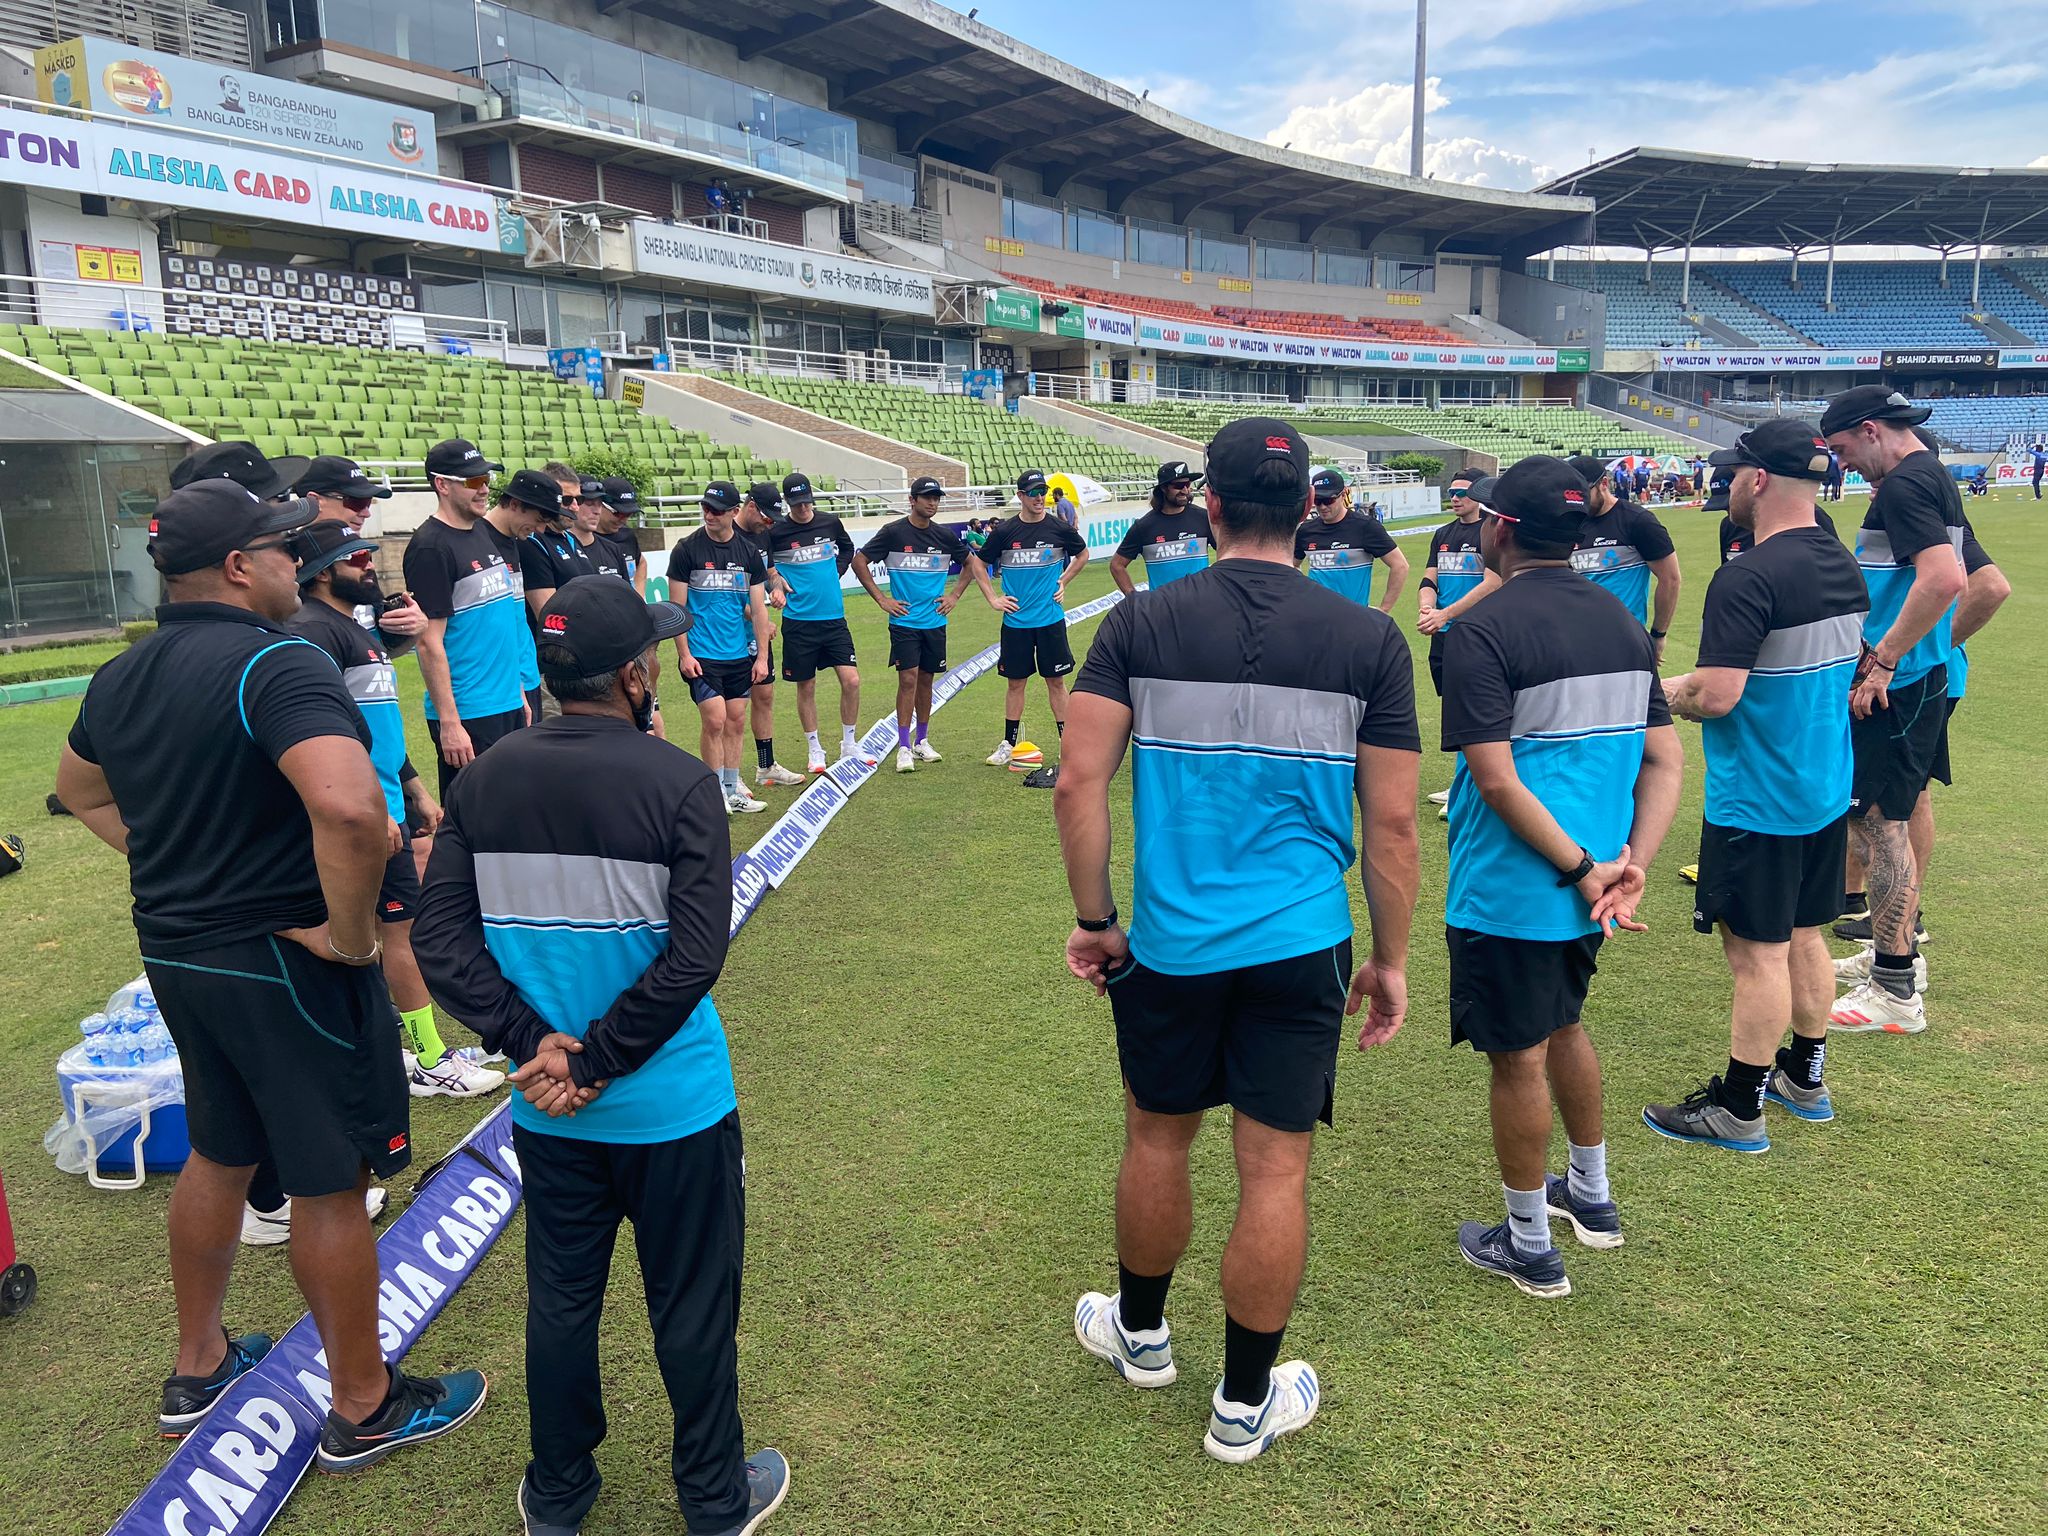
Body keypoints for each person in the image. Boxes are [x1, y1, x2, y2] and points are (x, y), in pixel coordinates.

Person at [53, 480, 486, 1464]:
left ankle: (199, 1363)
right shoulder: (278, 660)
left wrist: (172, 868)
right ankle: (364, 1405)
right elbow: (351, 816)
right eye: (286, 550)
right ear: (241, 567)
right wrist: (348, 940)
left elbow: (79, 792)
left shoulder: (125, 672)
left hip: (179, 951)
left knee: (221, 1150)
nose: (302, 565)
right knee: (328, 1181)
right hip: (283, 960)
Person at [1055, 417, 1421, 1464]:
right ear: (1309, 508)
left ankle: (1139, 1337)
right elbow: (1390, 827)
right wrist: (1388, 962)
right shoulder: (1367, 639)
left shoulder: (1138, 624)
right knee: (1273, 1175)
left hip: (1166, 945)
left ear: (1206, 507)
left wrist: (1094, 922)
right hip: (1301, 944)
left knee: (1155, 1139)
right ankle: (1242, 1406)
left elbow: (1079, 784)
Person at [411, 576, 789, 1536]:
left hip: (550, 1106)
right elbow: (697, 956)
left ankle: (561, 1491)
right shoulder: (678, 782)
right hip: (671, 1106)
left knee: (563, 1302)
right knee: (693, 1306)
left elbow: (442, 939)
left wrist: (536, 1048)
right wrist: (593, 1059)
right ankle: (712, 1499)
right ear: (633, 674)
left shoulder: (483, 778)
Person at [1439, 455, 1683, 1298]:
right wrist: (1632, 865)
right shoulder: (1623, 624)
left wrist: (1585, 870)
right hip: (1598, 881)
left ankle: (1530, 1244)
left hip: (1515, 888)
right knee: (1565, 1024)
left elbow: (1497, 780)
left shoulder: (1481, 629)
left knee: (1517, 1059)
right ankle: (1591, 1196)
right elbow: (1665, 759)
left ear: (1499, 529)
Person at [1647, 422, 1868, 1150]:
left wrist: (1647, 695)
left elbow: (1716, 694)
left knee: (1756, 953)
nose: (1729, 485)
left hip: (1762, 797)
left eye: (1735, 472)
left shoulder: (1749, 575)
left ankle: (1739, 1107)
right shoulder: (1840, 558)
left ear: (1759, 480)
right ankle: (1804, 1075)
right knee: (1805, 935)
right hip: (1823, 787)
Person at [285, 519, 502, 1092]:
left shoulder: (353, 628)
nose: (370, 565)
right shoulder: (313, 633)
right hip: (362, 812)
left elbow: (376, 727)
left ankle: (409, 1049)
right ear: (323, 571)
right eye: (356, 557)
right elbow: (325, 734)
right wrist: (377, 809)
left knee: (391, 933)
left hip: (387, 801)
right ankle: (430, 1060)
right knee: (397, 932)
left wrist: (412, 786)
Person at [1818, 387, 1967, 1035]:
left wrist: (1886, 659)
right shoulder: (1929, 473)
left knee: (1881, 826)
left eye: (1843, 449)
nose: (1843, 464)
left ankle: (1896, 987)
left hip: (1896, 689)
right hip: (1916, 680)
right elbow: (1979, 580)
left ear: (1871, 429)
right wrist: (1930, 651)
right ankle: (1891, 953)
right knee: (1888, 820)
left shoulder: (1907, 485)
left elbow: (1946, 580)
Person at [404, 439, 532, 796]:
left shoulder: (480, 532)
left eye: (486, 479)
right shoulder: (431, 546)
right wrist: (450, 722)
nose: (485, 489)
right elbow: (429, 642)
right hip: (469, 711)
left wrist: (517, 690)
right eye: (473, 482)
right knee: (475, 821)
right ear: (442, 485)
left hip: (505, 701)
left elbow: (499, 624)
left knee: (511, 811)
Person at [852, 476, 999, 774]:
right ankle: (903, 746)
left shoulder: (944, 536)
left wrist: (955, 595)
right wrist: (882, 599)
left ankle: (922, 740)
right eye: (927, 497)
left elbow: (972, 563)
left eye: (936, 498)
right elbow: (859, 561)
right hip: (904, 621)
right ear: (912, 500)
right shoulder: (893, 532)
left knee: (926, 681)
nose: (932, 502)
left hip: (934, 621)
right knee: (908, 679)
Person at [668, 482, 774, 815]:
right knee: (715, 720)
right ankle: (714, 792)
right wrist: (684, 654)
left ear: (733, 512)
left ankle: (732, 790)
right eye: (706, 508)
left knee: (737, 721)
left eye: (717, 510)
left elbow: (758, 609)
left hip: (737, 653)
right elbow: (678, 609)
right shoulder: (686, 549)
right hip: (701, 653)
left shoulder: (747, 553)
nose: (709, 515)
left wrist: (762, 657)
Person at [982, 469, 1090, 788]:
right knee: (1016, 684)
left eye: (1042, 491)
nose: (1039, 497)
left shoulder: (1058, 528)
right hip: (1015, 623)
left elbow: (1082, 554)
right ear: (1020, 496)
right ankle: (1008, 744)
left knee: (1056, 682)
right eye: (1032, 492)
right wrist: (992, 597)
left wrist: (1063, 580)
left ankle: (1069, 747)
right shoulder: (1005, 531)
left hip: (1050, 620)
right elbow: (977, 562)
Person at [766, 470, 868, 773]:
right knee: (806, 686)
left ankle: (849, 744)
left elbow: (848, 548)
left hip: (834, 617)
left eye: (807, 502)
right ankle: (815, 748)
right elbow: (765, 566)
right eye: (797, 504)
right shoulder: (776, 533)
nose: (803, 508)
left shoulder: (829, 522)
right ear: (787, 503)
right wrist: (776, 583)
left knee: (852, 680)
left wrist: (835, 573)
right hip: (799, 621)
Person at [290, 455, 426, 655]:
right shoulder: (285, 560)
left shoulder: (358, 551)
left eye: (368, 502)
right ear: (315, 501)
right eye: (355, 502)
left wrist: (412, 626)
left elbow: (379, 652)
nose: (366, 512)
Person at [1565, 454, 1681, 660]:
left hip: (1625, 641)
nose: (1580, 502)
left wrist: (1658, 634)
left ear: (1604, 484)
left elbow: (1670, 578)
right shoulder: (1570, 523)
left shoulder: (1638, 521)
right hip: (1575, 640)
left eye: (1584, 494)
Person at [735, 483, 805, 790]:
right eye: (766, 517)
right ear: (750, 506)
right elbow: (726, 594)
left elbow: (771, 570)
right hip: (729, 636)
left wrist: (776, 587)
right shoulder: (727, 536)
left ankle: (766, 767)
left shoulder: (763, 534)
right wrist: (760, 618)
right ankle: (730, 776)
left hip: (757, 635)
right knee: (733, 708)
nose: (769, 523)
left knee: (764, 696)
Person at [1416, 467, 1503, 698]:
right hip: (1442, 633)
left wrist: (1446, 614)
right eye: (1452, 492)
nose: (1454, 498)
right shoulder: (1442, 534)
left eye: (1461, 493)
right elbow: (1429, 579)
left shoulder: (1492, 531)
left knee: (1479, 699)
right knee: (1449, 701)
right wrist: (1427, 609)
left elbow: (1493, 583)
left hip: (1476, 632)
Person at [1293, 467, 1408, 613]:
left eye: (1328, 500)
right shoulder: (1305, 531)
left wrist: (1384, 609)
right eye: (1318, 500)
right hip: (1315, 618)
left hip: (1354, 619)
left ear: (1343, 494)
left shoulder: (1366, 527)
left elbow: (1400, 566)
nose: (1322, 506)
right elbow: (1291, 566)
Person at [1110, 461, 1213, 594]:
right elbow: (1117, 565)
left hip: (1201, 605)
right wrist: (1134, 599)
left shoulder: (1204, 518)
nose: (1185, 490)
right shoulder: (1143, 527)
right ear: (1163, 488)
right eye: (1178, 485)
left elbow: (1228, 553)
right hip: (1161, 611)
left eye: (1187, 484)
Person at [595, 478, 649, 596]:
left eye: (629, 514)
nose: (623, 520)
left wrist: (638, 597)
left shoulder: (627, 536)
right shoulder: (585, 540)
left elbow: (641, 562)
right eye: (618, 513)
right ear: (600, 505)